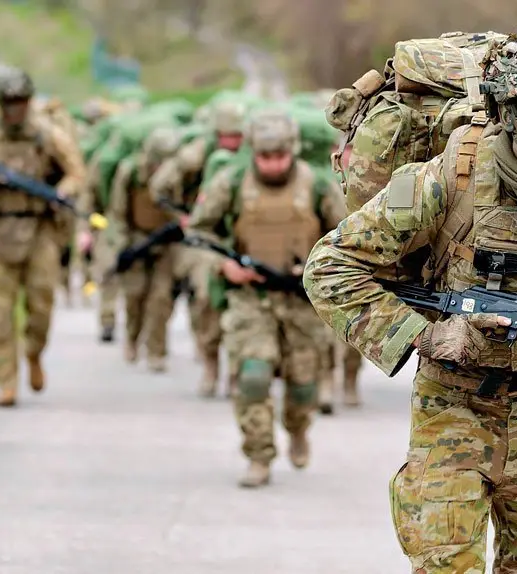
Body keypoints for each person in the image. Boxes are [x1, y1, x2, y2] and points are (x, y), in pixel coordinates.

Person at [303, 22, 517, 572]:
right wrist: (430, 334)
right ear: (508, 110)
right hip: (452, 407)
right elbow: (329, 267)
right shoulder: (448, 178)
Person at [188, 108, 346, 488]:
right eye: (264, 157)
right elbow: (198, 234)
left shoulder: (318, 185)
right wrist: (223, 267)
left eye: (279, 156)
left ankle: (298, 428)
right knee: (253, 377)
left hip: (301, 301)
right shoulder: (232, 183)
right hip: (250, 299)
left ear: (292, 150)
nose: (272, 165)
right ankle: (258, 455)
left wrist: (315, 269)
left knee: (304, 385)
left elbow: (346, 237)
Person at [0, 67, 85, 407]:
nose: (14, 110)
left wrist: (60, 193)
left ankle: (34, 353)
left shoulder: (48, 134)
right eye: (8, 103)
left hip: (40, 229)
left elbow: (75, 173)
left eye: (20, 102)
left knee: (41, 307)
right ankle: (6, 382)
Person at [149, 99, 247, 396]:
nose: (232, 143)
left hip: (239, 234)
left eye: (237, 137)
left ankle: (235, 371)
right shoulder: (193, 157)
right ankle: (210, 363)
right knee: (205, 296)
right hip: (203, 235)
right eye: (227, 136)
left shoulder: (252, 157)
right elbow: (159, 188)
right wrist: (182, 217)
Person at [107, 127, 182, 372]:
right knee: (134, 295)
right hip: (136, 240)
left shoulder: (177, 176)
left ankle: (156, 351)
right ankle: (132, 338)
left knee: (160, 299)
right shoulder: (130, 172)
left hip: (167, 244)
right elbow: (118, 212)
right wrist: (120, 246)